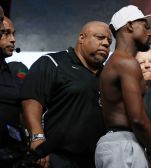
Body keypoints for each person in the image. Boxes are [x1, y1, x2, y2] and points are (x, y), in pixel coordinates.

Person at [21, 21, 112, 168]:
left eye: (109, 41)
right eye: (100, 37)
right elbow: (31, 100)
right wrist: (37, 138)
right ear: (81, 38)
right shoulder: (52, 62)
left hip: (96, 159)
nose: (106, 43)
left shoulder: (108, 74)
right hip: (57, 157)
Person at [95, 5, 151, 168]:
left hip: (116, 144)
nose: (149, 33)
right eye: (145, 27)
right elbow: (137, 118)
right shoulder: (126, 62)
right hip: (123, 146)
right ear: (130, 25)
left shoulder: (114, 62)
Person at [0, 16, 28, 167]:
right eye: (6, 33)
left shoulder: (16, 70)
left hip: (15, 155)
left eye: (13, 34)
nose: (13, 40)